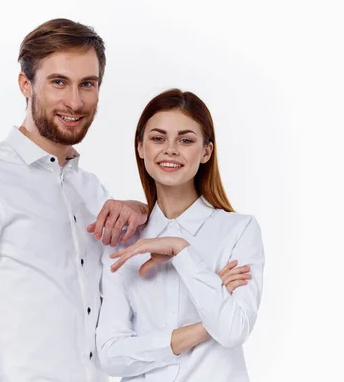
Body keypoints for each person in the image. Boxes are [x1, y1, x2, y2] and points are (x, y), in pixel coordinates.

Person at [0, 18, 149, 382]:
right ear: (25, 84)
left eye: (88, 84)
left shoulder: (93, 192)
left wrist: (144, 212)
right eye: (59, 82)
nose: (75, 101)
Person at [96, 89, 264, 381]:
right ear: (140, 147)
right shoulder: (124, 242)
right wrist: (207, 323)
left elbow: (234, 330)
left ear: (206, 151)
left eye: (185, 140)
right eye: (158, 138)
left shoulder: (239, 231)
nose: (170, 150)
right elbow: (111, 356)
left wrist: (180, 249)